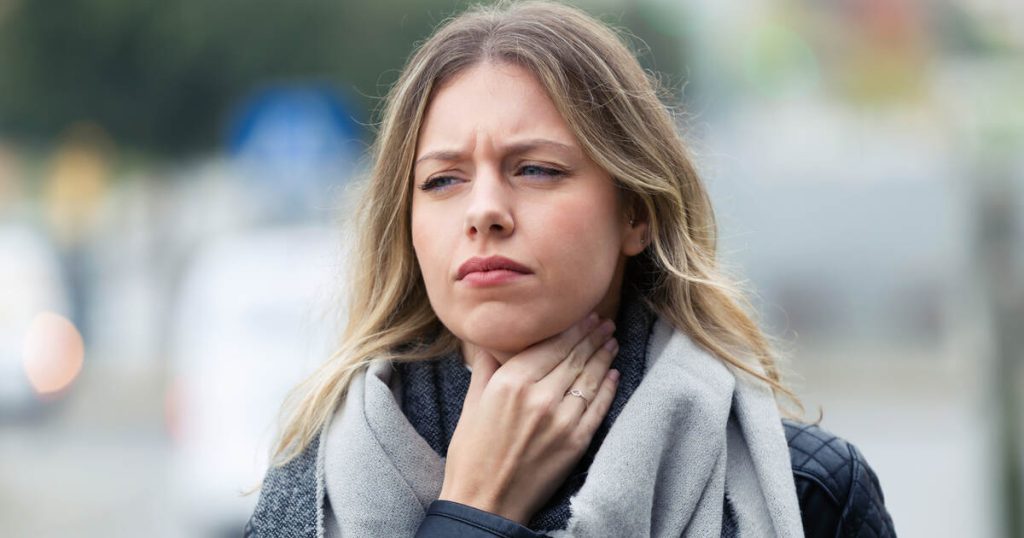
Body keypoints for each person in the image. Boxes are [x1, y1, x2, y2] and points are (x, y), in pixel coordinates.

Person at [245, 2, 896, 536]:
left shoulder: (806, 488)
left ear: (635, 213)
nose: (484, 211)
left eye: (536, 170)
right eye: (443, 180)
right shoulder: (314, 487)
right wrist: (475, 507)